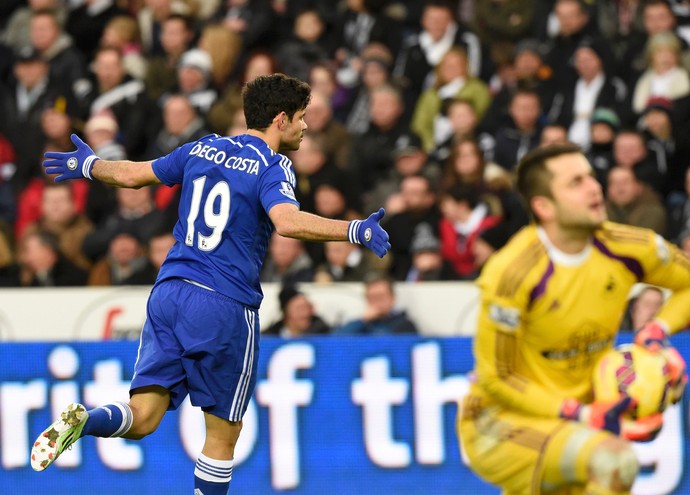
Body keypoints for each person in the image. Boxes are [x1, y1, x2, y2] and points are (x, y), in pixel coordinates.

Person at [31, 73, 390, 495]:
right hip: (223, 305)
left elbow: (133, 176)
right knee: (221, 437)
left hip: (169, 291)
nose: (306, 126)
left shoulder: (203, 147)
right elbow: (286, 221)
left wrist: (89, 165)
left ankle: (86, 421)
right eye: (301, 117)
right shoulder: (273, 166)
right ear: (280, 119)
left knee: (143, 415)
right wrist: (354, 231)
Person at [458, 143, 689, 495]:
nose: (594, 187)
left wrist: (656, 331)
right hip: (499, 424)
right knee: (613, 461)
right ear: (543, 206)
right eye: (576, 182)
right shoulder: (512, 273)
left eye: (592, 177)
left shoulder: (628, 247)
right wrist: (581, 414)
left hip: (577, 421)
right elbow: (497, 377)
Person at [333, 273, 418, 335]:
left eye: (380, 296)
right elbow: (335, 340)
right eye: (372, 297)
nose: (377, 301)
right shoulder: (362, 323)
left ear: (392, 297)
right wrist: (363, 321)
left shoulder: (404, 324)